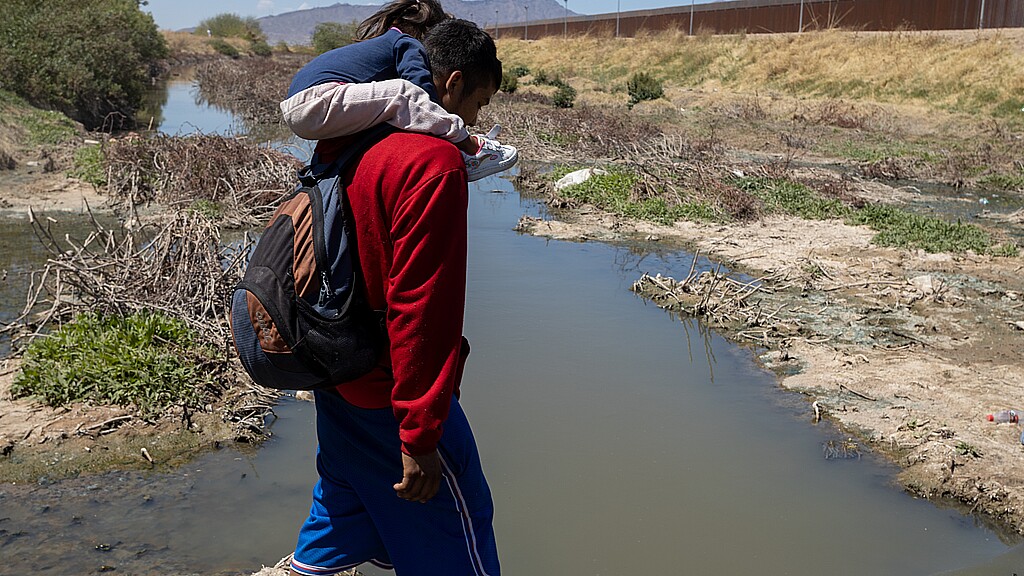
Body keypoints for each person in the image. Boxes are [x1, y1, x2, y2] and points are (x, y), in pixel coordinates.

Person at [286, 18, 502, 576]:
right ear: (451, 84)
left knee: (344, 510)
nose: (474, 120)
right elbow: (420, 309)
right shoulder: (432, 164)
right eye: (476, 102)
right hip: (388, 390)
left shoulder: (350, 140)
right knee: (461, 527)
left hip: (334, 367)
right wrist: (420, 433)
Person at [280, 0, 517, 182]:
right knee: (404, 93)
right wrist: (450, 129)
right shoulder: (406, 42)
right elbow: (418, 89)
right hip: (315, 101)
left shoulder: (388, 42)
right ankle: (472, 148)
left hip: (304, 106)